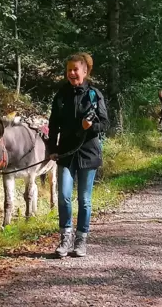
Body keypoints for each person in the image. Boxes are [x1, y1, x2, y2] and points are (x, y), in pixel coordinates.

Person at [47, 52, 109, 257]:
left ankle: (81, 240)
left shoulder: (94, 94)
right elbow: (53, 124)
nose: (72, 73)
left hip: (88, 154)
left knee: (84, 199)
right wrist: (52, 149)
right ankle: (65, 238)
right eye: (69, 70)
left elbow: (105, 123)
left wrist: (89, 126)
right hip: (65, 153)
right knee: (64, 196)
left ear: (85, 71)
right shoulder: (61, 95)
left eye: (76, 69)